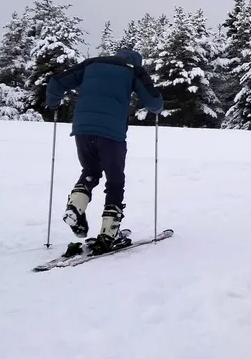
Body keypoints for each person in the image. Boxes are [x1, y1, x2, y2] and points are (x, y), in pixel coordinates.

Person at [45, 48, 163, 253]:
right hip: (112, 134)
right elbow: (153, 102)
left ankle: (76, 206)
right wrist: (157, 110)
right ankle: (109, 232)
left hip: (82, 128)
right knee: (115, 180)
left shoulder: (91, 63)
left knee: (91, 171)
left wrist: (53, 103)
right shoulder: (133, 70)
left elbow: (56, 82)